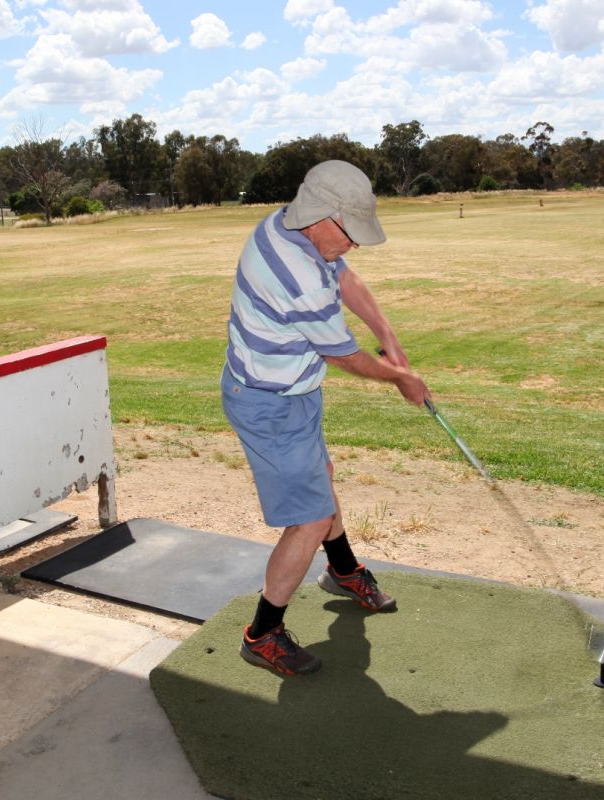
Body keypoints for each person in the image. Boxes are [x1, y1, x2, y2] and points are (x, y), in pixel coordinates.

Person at [221, 160, 430, 676]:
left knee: (323, 482)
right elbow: (344, 356)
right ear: (322, 216)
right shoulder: (297, 273)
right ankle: (263, 633)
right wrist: (401, 378)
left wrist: (391, 335)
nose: (355, 244)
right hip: (267, 402)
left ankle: (340, 571)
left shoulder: (294, 228)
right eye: (351, 232)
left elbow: (349, 279)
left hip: (295, 390)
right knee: (310, 518)